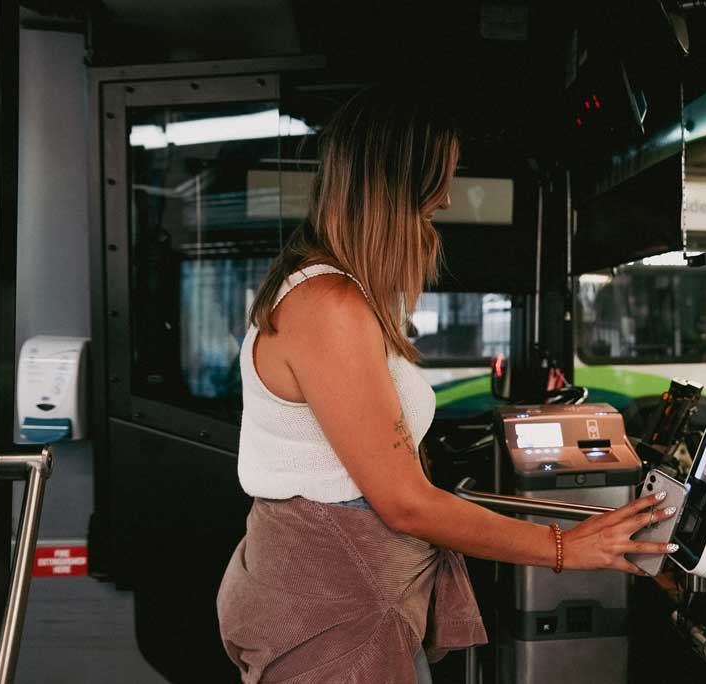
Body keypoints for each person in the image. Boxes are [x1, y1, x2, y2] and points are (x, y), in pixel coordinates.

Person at [216, 86, 676, 684]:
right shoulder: (327, 302)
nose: (447, 197)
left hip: (353, 593)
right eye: (439, 179)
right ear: (394, 183)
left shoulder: (334, 295)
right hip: (335, 605)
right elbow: (405, 502)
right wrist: (567, 547)